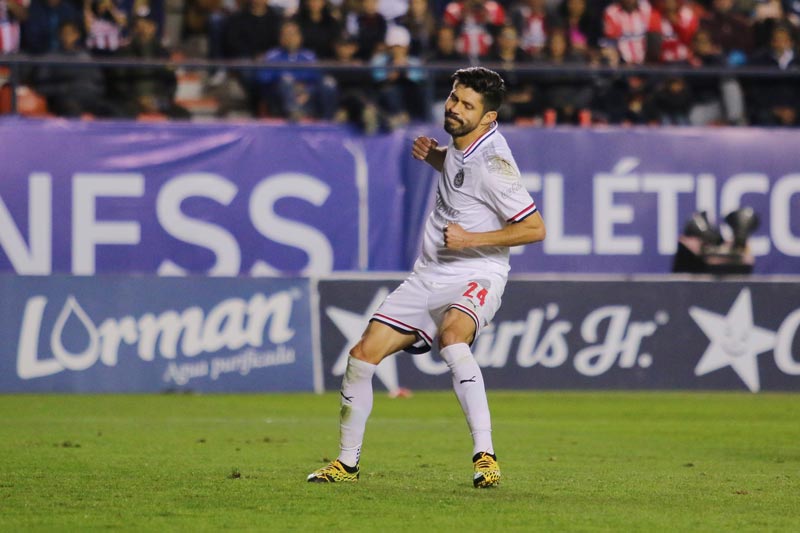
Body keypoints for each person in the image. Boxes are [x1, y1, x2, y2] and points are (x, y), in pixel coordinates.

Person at [307, 66, 546, 488]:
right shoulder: (461, 143)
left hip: (478, 271)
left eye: (466, 105)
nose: (454, 109)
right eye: (453, 98)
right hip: (429, 274)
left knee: (453, 340)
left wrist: (472, 239)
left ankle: (485, 455)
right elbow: (460, 176)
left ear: (489, 117)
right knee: (361, 357)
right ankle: (346, 464)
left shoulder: (495, 163)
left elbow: (534, 228)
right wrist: (434, 155)